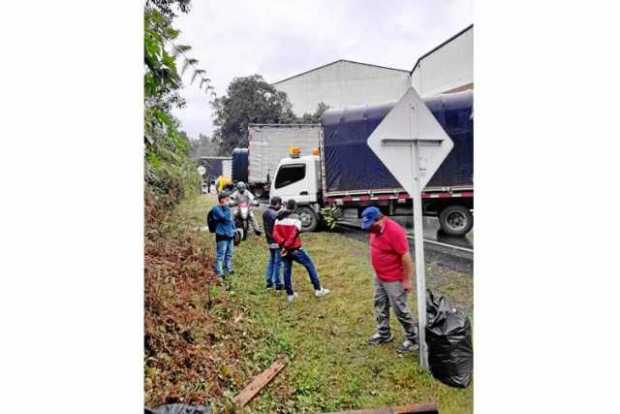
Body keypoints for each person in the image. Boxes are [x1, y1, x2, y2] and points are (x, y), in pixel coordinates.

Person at [361, 206, 418, 353]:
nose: (368, 230)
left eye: (370, 226)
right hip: (380, 276)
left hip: (394, 279)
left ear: (379, 220)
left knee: (400, 309)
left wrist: (407, 280)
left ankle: (414, 339)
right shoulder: (375, 230)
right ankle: (384, 334)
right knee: (379, 304)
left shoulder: (394, 231)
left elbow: (406, 257)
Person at [273, 199, 330, 302]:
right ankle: (318, 289)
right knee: (309, 265)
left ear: (286, 206)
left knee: (287, 270)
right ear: (294, 207)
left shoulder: (278, 218)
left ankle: (290, 294)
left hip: (283, 249)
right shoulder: (296, 219)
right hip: (295, 249)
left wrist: (282, 245)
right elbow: (293, 235)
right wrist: (286, 246)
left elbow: (275, 234)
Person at [211, 191, 236, 278]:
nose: (229, 201)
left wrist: (234, 230)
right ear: (221, 200)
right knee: (221, 254)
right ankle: (219, 272)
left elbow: (232, 221)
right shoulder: (216, 209)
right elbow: (225, 218)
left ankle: (228, 268)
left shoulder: (228, 209)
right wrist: (226, 207)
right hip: (221, 234)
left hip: (230, 234)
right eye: (227, 199)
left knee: (229, 253)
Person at [262, 196, 284, 290]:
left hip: (269, 240)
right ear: (277, 204)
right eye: (280, 204)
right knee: (278, 262)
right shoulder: (273, 214)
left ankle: (269, 282)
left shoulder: (266, 212)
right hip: (276, 240)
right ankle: (277, 283)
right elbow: (278, 217)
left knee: (271, 260)